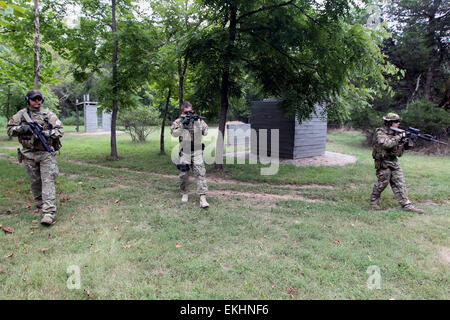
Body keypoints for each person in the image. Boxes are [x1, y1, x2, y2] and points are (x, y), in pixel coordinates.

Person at [7, 89, 64, 225]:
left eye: (39, 99)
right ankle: (40, 205)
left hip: (45, 153)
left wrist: (45, 133)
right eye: (34, 99)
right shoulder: (21, 115)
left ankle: (48, 213)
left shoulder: (48, 114)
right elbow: (9, 129)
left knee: (47, 181)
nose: (37, 101)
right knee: (35, 183)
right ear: (28, 100)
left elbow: (60, 130)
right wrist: (23, 129)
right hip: (28, 154)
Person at [369, 113, 424, 214]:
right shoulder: (380, 132)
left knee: (400, 182)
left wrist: (409, 140)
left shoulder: (397, 133)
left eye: (399, 122)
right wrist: (400, 136)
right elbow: (386, 144)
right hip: (382, 161)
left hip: (393, 161)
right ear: (389, 122)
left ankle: (406, 205)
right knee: (383, 182)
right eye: (396, 122)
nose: (398, 124)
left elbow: (405, 148)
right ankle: (373, 202)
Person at [171, 102, 209, 208]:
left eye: (191, 111)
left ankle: (203, 198)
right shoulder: (178, 121)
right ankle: (185, 193)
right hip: (185, 151)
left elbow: (205, 132)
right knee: (184, 174)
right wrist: (183, 124)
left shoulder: (198, 120)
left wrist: (198, 123)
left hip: (197, 150)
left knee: (200, 173)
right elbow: (174, 134)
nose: (190, 114)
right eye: (187, 112)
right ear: (183, 111)